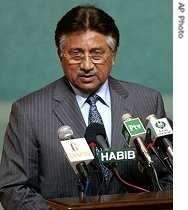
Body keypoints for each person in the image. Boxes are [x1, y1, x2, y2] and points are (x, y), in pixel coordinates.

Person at [0, 4, 173, 210]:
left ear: (113, 54)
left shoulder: (147, 101)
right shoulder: (29, 111)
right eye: (76, 54)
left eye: (97, 53)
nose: (87, 65)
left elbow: (168, 175)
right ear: (60, 55)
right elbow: (14, 188)